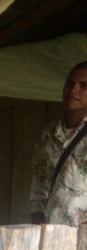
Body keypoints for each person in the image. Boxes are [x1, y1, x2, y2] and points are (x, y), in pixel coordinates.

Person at [29, 61, 87, 226]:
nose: (74, 90)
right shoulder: (50, 133)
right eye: (70, 83)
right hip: (53, 231)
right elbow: (39, 175)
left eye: (84, 85)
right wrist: (37, 212)